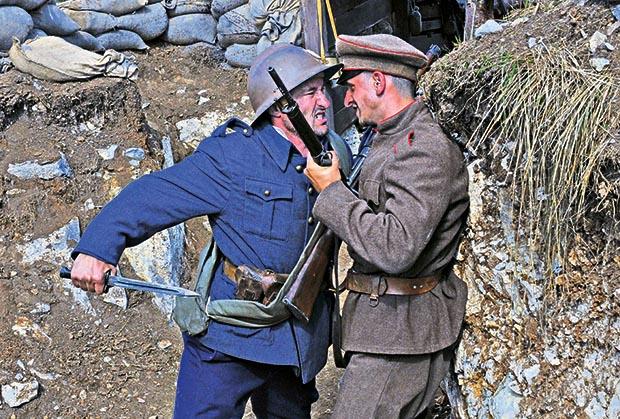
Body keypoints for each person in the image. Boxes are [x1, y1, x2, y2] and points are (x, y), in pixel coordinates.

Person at [67, 44, 348, 418]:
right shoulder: (234, 155)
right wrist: (99, 249)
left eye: (323, 90)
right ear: (280, 108)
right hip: (231, 333)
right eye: (310, 93)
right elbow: (157, 193)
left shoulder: (337, 154)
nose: (325, 101)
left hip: (295, 337)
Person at [304, 34, 469, 418]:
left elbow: (396, 248)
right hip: (386, 328)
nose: (347, 99)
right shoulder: (390, 137)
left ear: (378, 81)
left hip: (401, 333)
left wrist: (332, 192)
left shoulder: (422, 148)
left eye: (351, 86)